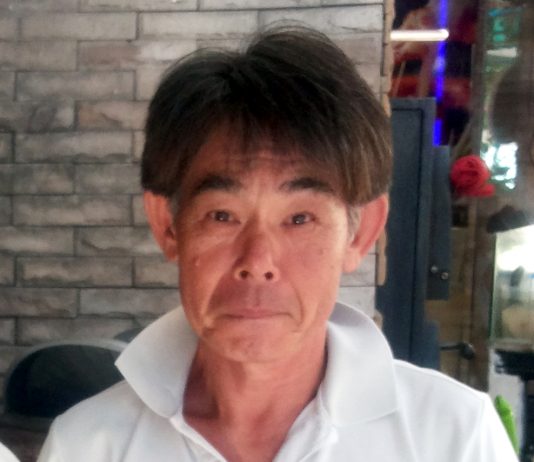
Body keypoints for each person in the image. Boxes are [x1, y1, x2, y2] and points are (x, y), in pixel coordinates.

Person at [38, 26, 517, 461]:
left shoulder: (454, 437)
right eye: (222, 215)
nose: (258, 261)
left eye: (300, 218)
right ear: (168, 225)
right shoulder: (88, 445)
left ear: (361, 233)